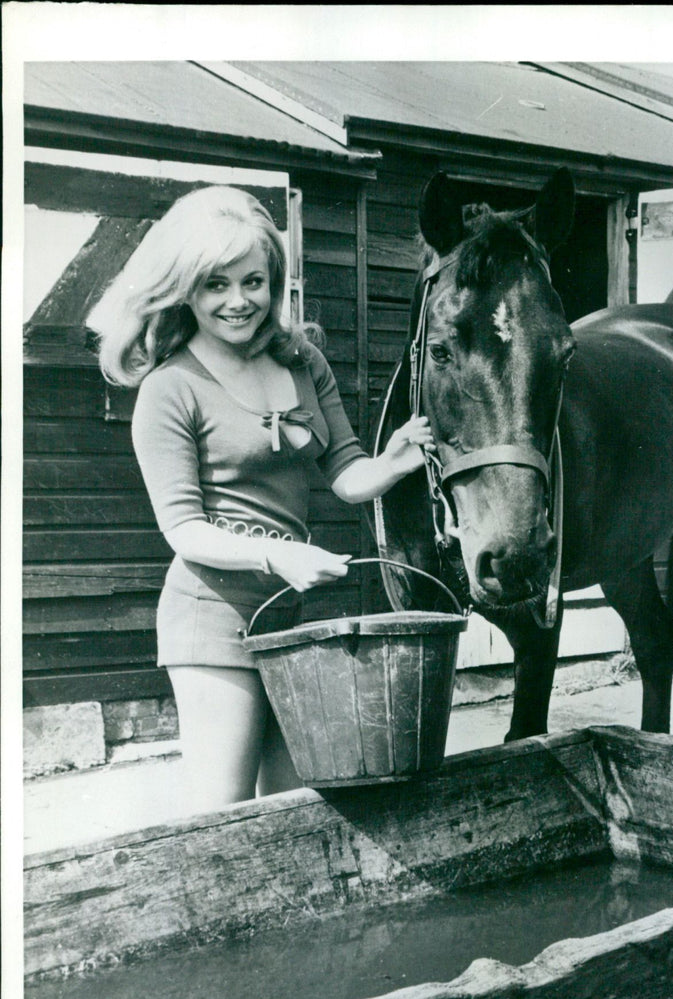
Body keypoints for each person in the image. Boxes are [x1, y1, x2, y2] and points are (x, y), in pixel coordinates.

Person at [89, 184, 433, 809]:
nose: (237, 301)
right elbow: (183, 529)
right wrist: (281, 557)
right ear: (183, 289)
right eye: (214, 285)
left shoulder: (303, 363)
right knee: (223, 811)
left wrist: (393, 463)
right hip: (212, 611)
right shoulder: (171, 389)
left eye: (252, 281)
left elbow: (346, 472)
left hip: (287, 611)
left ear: (275, 280)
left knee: (295, 803)